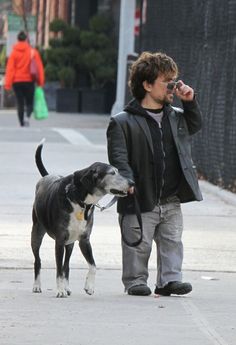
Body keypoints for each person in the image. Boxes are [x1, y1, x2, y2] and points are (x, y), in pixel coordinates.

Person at [106, 52, 203, 296]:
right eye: (167, 82)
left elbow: (195, 124)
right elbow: (119, 158)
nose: (173, 87)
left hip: (170, 197)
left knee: (172, 240)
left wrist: (189, 102)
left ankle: (170, 279)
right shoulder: (122, 122)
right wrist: (127, 181)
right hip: (139, 197)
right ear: (147, 85)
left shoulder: (176, 117)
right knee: (138, 243)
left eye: (175, 81)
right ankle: (135, 280)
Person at [4, 31, 45, 127]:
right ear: (26, 39)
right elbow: (39, 68)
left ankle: (21, 122)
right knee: (29, 102)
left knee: (20, 102)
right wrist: (40, 82)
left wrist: (8, 84)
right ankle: (27, 117)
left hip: (17, 81)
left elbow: (10, 69)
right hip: (29, 81)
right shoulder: (33, 52)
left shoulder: (13, 53)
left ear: (17, 40)